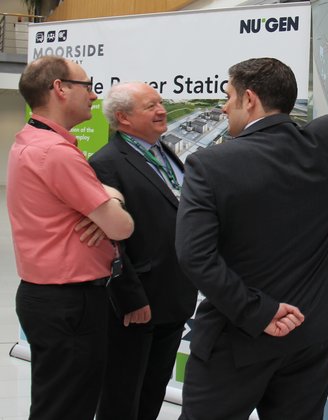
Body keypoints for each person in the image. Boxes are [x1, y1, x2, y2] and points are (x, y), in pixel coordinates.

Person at [175, 44, 328, 420]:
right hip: (312, 333)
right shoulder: (327, 144)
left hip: (237, 338)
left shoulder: (210, 165)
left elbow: (195, 256)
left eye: (228, 96)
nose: (223, 108)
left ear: (251, 99)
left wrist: (260, 312)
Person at [6, 56, 134, 420]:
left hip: (48, 298)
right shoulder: (56, 153)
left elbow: (107, 204)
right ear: (60, 89)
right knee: (68, 407)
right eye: (87, 86)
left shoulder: (33, 140)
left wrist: (109, 198)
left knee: (56, 402)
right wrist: (111, 201)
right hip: (70, 303)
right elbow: (122, 228)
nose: (94, 96)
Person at [88, 82, 198, 420]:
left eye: (160, 103)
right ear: (123, 117)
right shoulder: (106, 163)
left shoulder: (165, 151)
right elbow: (108, 240)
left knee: (153, 391)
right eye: (150, 106)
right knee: (122, 397)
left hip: (174, 295)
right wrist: (130, 297)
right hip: (137, 304)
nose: (161, 110)